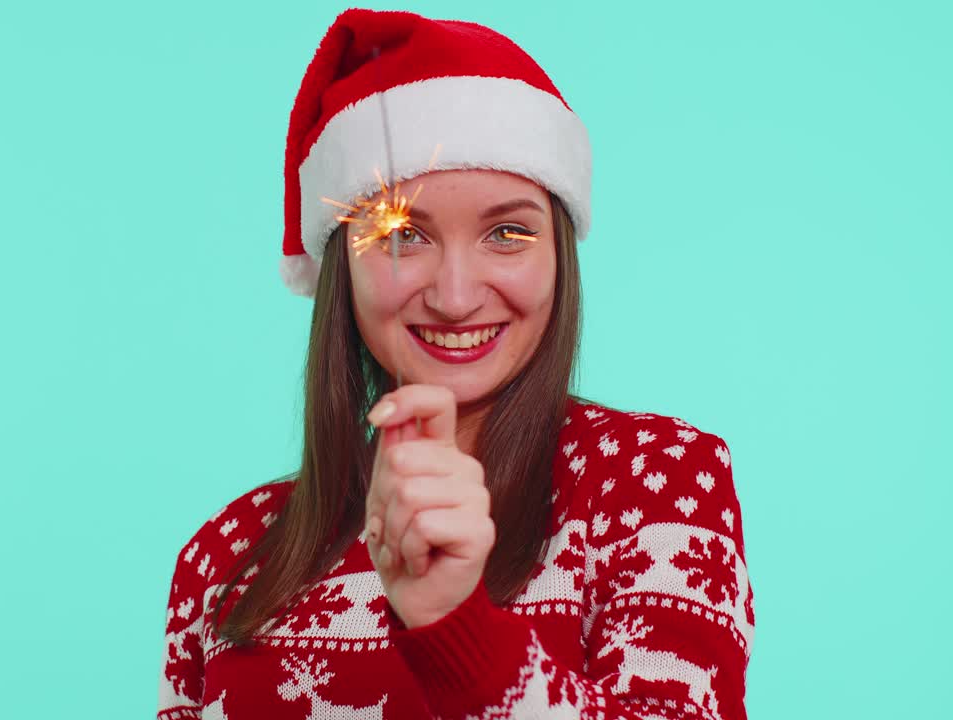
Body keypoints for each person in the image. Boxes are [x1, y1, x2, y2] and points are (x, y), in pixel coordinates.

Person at [158, 8, 753, 720]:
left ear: (559, 255)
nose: (456, 296)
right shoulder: (227, 557)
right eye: (403, 235)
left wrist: (455, 630)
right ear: (342, 266)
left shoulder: (653, 482)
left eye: (508, 233)